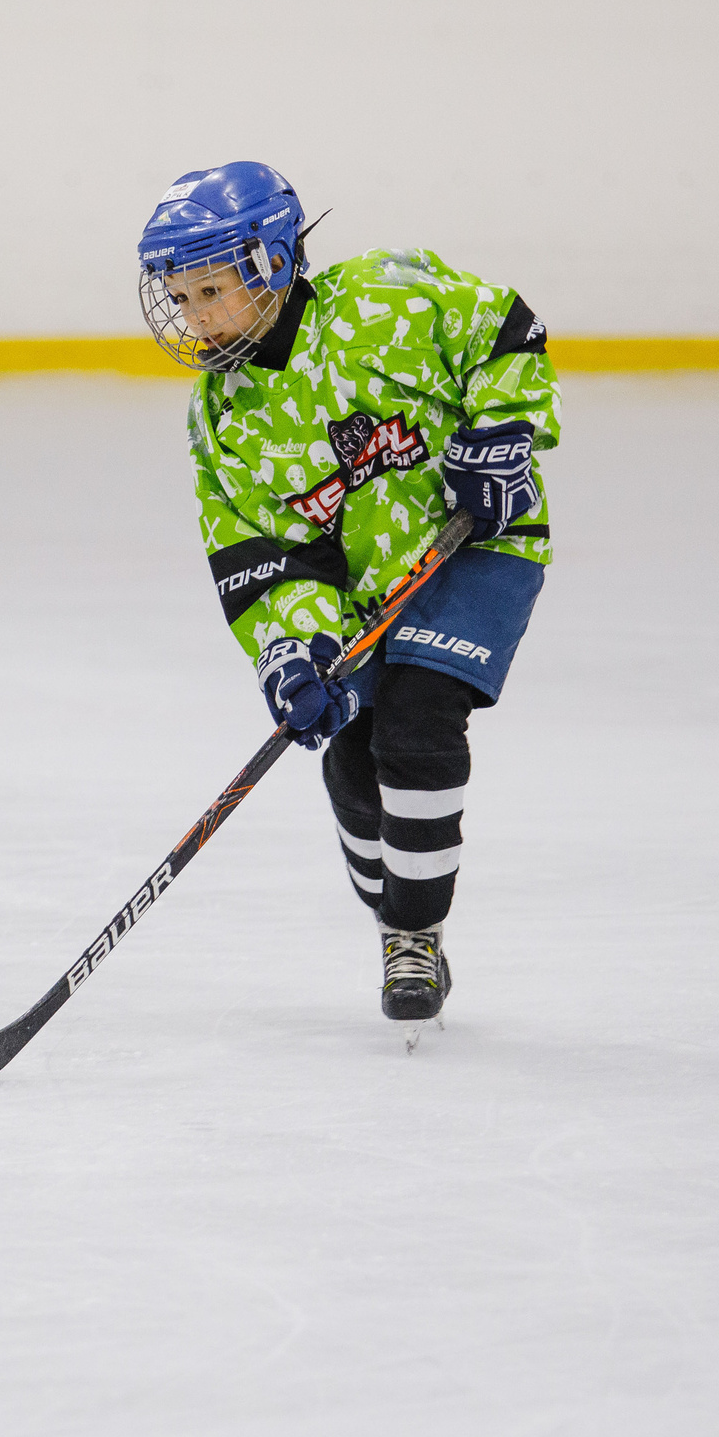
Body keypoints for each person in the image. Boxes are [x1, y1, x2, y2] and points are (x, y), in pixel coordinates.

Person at [136, 162, 556, 1038]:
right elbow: (264, 553)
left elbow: (504, 329)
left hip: (473, 547)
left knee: (419, 722)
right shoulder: (222, 418)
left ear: (273, 262)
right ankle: (395, 913)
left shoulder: (382, 302)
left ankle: (414, 933)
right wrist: (296, 647)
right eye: (181, 297)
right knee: (353, 765)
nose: (196, 316)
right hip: (362, 592)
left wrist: (500, 435)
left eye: (212, 290)